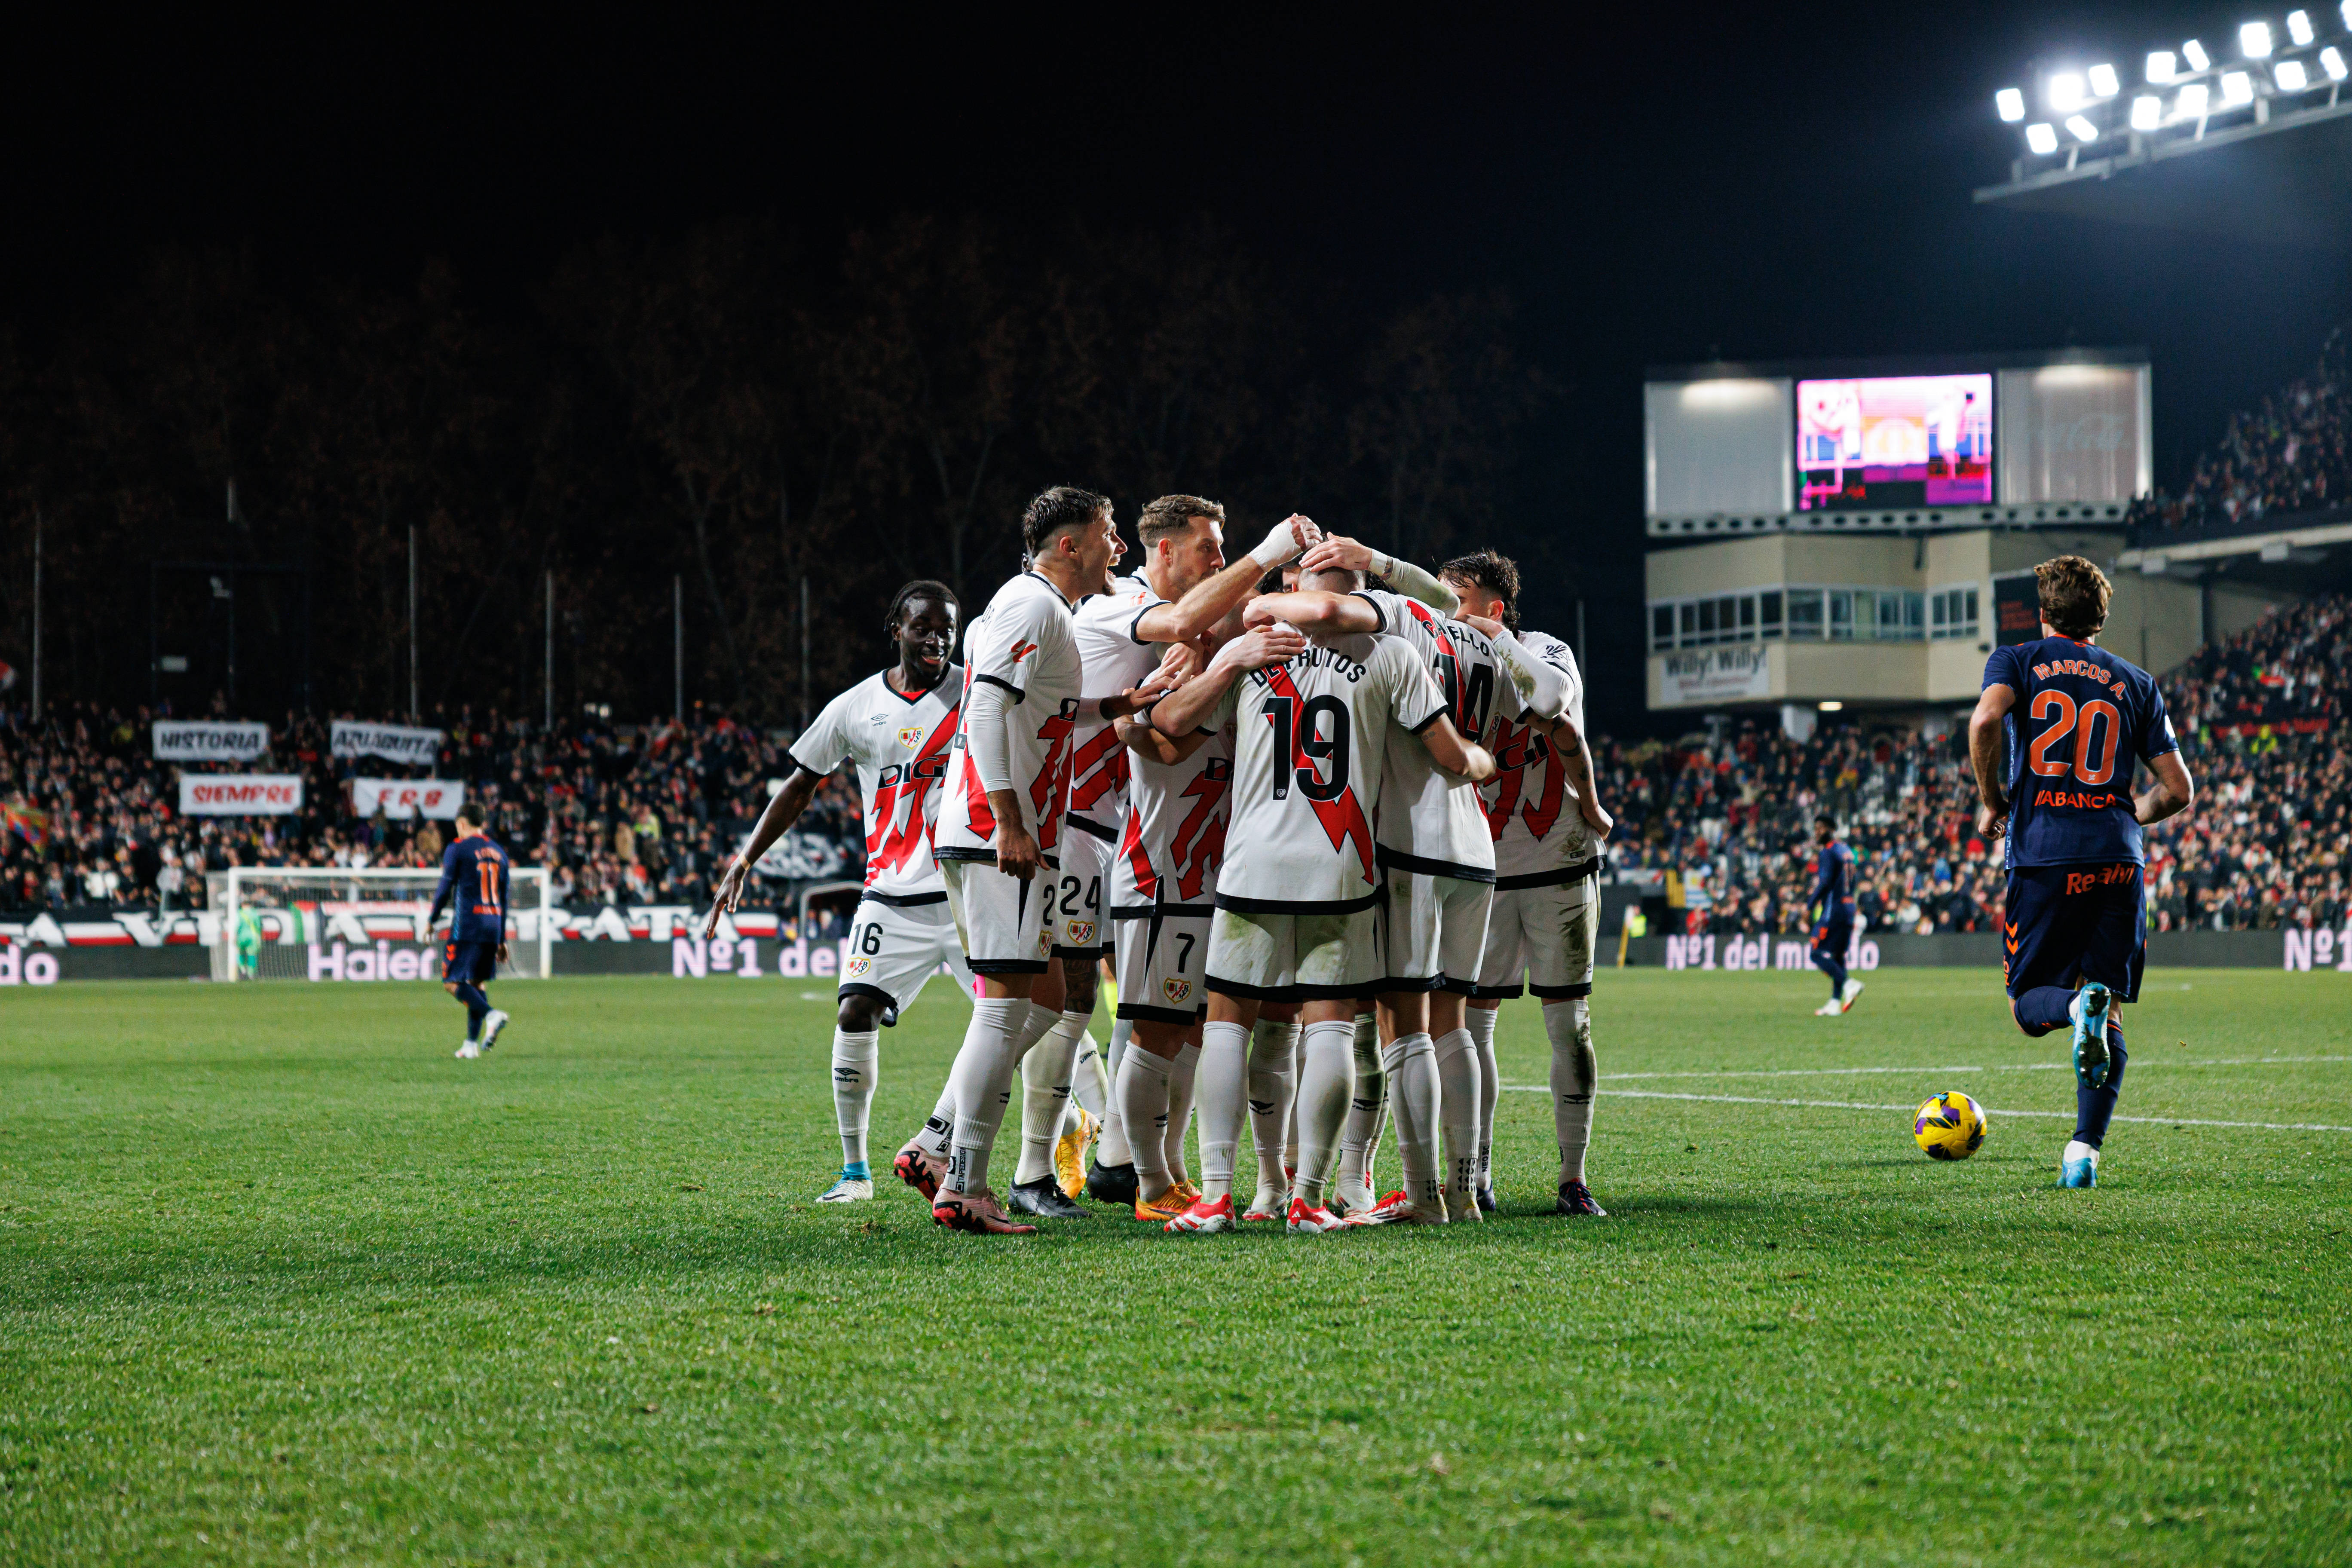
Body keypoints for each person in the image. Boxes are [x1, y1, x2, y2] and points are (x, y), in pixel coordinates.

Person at [1148, 558, 1493, 1234]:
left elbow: (1168, 722)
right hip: (1343, 865)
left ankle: (1217, 1195)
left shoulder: (1255, 649)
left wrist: (1226, 663)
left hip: (1252, 862)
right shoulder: (1391, 654)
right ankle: (1309, 1197)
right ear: (1360, 597)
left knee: (1228, 1025)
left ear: (1295, 593)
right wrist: (1482, 761)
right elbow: (1451, 757)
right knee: (1331, 1028)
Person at [1248, 535, 1556, 1222]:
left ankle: (1422, 1196)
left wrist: (1269, 596)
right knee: (1457, 1029)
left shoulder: (1395, 616)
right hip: (1476, 848)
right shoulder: (1478, 638)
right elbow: (1548, 701)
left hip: (1408, 837)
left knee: (1404, 1027)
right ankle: (1466, 1187)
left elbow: (1334, 613)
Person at [1070, 499, 1323, 1221]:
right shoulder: (1140, 623)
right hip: (1160, 866)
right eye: (1209, 548)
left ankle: (1166, 1169)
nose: (1221, 562)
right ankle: (1144, 1179)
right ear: (1166, 552)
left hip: (1211, 870)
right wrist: (1224, 654)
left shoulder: (1195, 632)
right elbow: (1152, 734)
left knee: (1181, 1031)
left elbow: (1240, 609)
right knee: (1151, 1027)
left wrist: (1228, 644)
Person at [900, 487, 1133, 1235]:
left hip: (989, 827)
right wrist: (1010, 819)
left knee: (1036, 1001)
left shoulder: (1035, 608)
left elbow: (1039, 707)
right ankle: (964, 1180)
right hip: (996, 831)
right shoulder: (1033, 606)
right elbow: (989, 706)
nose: (1116, 547)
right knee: (1008, 1011)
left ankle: (938, 1141)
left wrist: (1119, 703)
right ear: (1071, 545)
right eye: (1108, 533)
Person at [708, 581, 973, 1204]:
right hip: (889, 894)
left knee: (1006, 1022)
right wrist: (746, 859)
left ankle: (948, 1139)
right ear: (896, 628)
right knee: (855, 1010)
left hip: (969, 890)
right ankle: (855, 1173)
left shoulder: (976, 693)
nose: (937, 638)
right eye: (924, 626)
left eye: (948, 629)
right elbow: (800, 786)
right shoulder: (854, 708)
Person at [1968, 554, 2194, 1189]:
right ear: (2102, 617)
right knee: (2112, 1009)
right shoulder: (2137, 682)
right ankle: (2083, 1154)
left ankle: (2074, 1008)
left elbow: (1986, 720)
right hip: (2119, 860)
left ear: (2044, 614)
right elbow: (2178, 790)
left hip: (2045, 856)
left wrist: (1993, 802)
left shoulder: (2017, 661)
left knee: (2025, 1004)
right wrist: (2132, 814)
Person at [1440, 549, 1615, 1219]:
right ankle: (1476, 1172)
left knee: (1569, 1025)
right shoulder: (1441, 660)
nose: (1445, 615)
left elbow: (1556, 705)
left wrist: (1498, 640)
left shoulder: (1544, 649)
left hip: (1558, 860)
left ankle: (1573, 1176)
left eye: (1458, 602)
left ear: (1493, 607)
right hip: (1478, 865)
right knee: (1472, 1027)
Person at [430, 801, 511, 1061]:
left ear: (462, 824)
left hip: (468, 925)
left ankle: (491, 1014)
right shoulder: (500, 852)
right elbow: (504, 898)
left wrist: (432, 919)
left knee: (451, 982)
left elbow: (445, 889)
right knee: (477, 982)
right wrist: (502, 939)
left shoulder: (457, 848)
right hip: (494, 924)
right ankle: (470, 1045)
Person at [1806, 815, 1862, 1017]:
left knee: (1816, 953)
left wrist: (1810, 904)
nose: (1817, 832)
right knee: (1838, 956)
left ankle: (1849, 984)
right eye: (1816, 828)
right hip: (1849, 908)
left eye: (1821, 828)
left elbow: (1825, 882)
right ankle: (1835, 1002)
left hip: (1834, 909)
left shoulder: (1829, 852)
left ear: (1831, 829)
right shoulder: (1846, 850)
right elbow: (1853, 879)